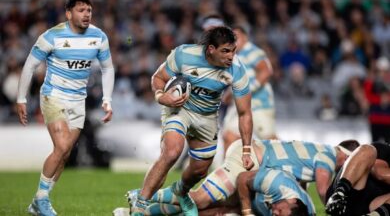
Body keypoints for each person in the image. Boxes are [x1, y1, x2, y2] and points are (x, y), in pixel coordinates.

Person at [130, 26, 254, 216]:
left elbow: (244, 112)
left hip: (207, 117)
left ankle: (180, 192)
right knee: (172, 152)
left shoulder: (237, 69)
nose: (231, 56)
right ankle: (140, 204)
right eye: (225, 51)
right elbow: (158, 78)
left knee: (199, 171)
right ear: (211, 49)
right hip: (180, 109)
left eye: (233, 50)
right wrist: (162, 97)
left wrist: (246, 149)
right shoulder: (184, 55)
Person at [16, 0, 115, 215]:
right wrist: (21, 99)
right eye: (81, 10)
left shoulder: (98, 37)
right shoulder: (51, 36)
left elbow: (108, 68)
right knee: (61, 147)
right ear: (68, 13)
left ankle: (38, 201)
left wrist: (107, 99)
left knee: (65, 152)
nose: (87, 14)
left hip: (78, 100)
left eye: (89, 10)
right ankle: (41, 199)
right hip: (54, 95)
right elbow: (30, 66)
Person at [123, 138, 357, 215]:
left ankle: (141, 210)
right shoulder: (327, 157)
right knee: (199, 199)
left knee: (210, 209)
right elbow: (325, 193)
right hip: (251, 161)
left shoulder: (317, 150)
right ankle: (142, 197)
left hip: (258, 164)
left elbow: (300, 183)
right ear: (347, 158)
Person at [222, 25, 275, 153]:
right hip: (241, 106)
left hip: (258, 104)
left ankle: (288, 165)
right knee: (229, 136)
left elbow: (266, 71)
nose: (234, 41)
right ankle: (231, 171)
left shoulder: (252, 51)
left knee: (270, 142)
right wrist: (229, 94)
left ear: (245, 37)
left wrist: (245, 91)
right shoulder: (234, 58)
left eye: (237, 38)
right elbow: (239, 82)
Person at [325, 142, 390, 215]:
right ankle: (338, 194)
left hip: (365, 209)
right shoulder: (384, 150)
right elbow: (379, 172)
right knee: (368, 150)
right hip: (348, 196)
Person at [237, 168, 315, 216]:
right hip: (244, 179)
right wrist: (247, 212)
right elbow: (242, 178)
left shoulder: (309, 211)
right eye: (280, 211)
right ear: (293, 201)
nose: (275, 213)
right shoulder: (276, 183)